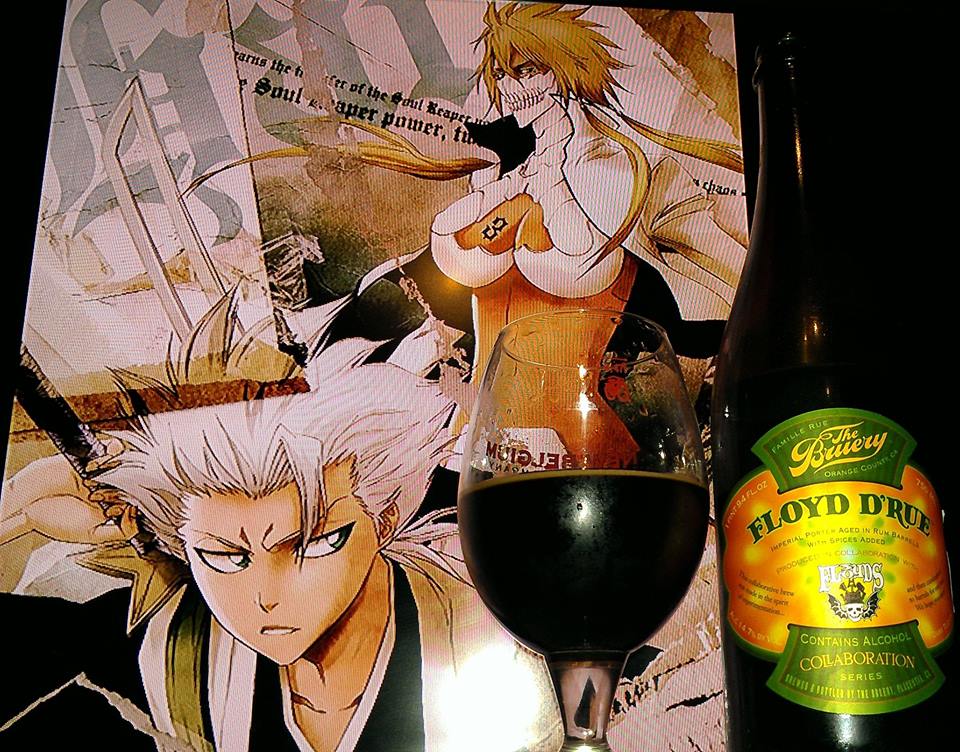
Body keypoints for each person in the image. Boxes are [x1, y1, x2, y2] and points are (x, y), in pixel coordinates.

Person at [0, 337, 558, 751]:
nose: (265, 596)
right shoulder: (173, 655)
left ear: (385, 517)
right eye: (224, 556)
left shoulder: (496, 620)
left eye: (315, 544)